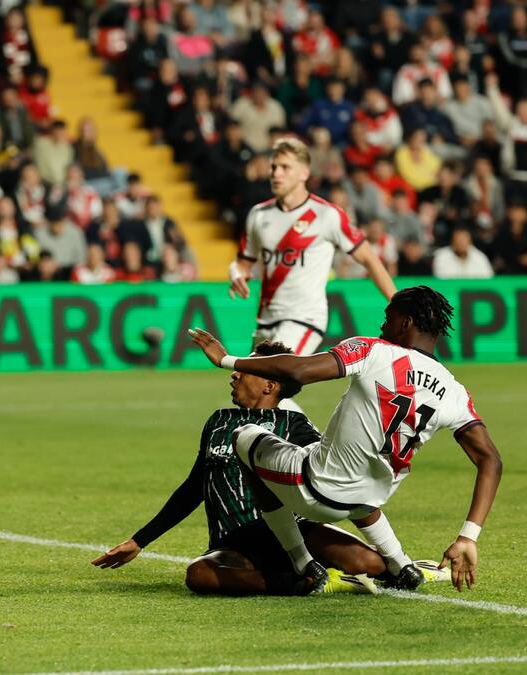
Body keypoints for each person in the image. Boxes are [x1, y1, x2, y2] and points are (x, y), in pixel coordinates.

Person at [188, 286, 502, 593]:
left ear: (406, 323)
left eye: (388, 317)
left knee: (243, 436)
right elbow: (491, 460)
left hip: (313, 488)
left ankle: (302, 562)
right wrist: (468, 536)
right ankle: (400, 563)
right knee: (359, 463)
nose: (383, 325)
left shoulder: (374, 350)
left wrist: (227, 360)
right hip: (369, 499)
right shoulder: (455, 393)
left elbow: (299, 370)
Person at [94, 341, 393, 596]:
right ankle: (302, 583)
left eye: (246, 370)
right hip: (235, 539)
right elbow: (194, 487)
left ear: (270, 384)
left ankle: (396, 566)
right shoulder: (218, 422)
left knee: (373, 565)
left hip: (297, 530)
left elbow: (330, 474)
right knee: (199, 575)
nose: (234, 375)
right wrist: (140, 540)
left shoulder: (294, 425)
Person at [230, 137, 396, 356]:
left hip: (304, 319)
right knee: (248, 388)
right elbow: (243, 262)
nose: (276, 173)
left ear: (304, 173)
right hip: (266, 320)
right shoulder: (258, 215)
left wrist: (398, 304)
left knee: (262, 381)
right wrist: (236, 274)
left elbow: (368, 258)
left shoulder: (326, 215)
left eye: (285, 167)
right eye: (273, 167)